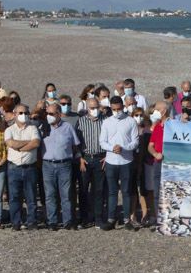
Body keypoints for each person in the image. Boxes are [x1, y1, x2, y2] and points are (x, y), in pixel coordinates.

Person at [99, 96, 139, 230]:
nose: (117, 112)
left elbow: (135, 142)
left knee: (126, 191)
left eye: (119, 109)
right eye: (114, 109)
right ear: (111, 108)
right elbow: (102, 141)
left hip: (126, 161)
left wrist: (123, 148)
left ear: (123, 107)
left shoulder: (131, 121)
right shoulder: (106, 122)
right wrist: (112, 148)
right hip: (111, 161)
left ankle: (127, 219)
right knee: (112, 192)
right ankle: (111, 219)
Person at [41, 102, 80, 230]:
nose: (49, 116)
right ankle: (52, 221)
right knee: (50, 194)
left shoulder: (68, 127)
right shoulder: (43, 127)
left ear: (58, 114)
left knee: (66, 194)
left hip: (64, 164)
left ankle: (68, 221)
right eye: (47, 113)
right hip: (47, 164)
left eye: (51, 114)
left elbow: (75, 145)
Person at [5, 104, 41, 230]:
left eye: (25, 113)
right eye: (20, 113)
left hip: (30, 167)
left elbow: (36, 143)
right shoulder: (9, 130)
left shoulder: (33, 128)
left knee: (31, 197)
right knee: (14, 197)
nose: (23, 115)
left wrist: (19, 147)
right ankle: (16, 222)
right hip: (14, 168)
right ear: (14, 114)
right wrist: (27, 142)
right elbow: (11, 143)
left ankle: (32, 221)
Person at [77, 97, 107, 228]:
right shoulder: (81, 121)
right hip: (86, 158)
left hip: (101, 157)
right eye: (91, 108)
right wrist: (79, 157)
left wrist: (108, 156)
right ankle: (84, 218)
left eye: (96, 107)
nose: (94, 110)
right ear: (87, 108)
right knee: (83, 189)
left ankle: (98, 217)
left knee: (99, 190)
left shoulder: (105, 121)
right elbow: (75, 141)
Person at [147, 102, 169, 226]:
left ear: (163, 111)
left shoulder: (173, 125)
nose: (154, 112)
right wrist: (155, 154)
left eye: (156, 110)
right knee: (156, 191)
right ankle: (155, 216)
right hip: (158, 163)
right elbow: (150, 146)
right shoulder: (157, 127)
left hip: (169, 164)